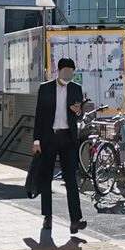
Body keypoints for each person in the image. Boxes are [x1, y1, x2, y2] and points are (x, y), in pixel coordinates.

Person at [31, 57, 86, 234]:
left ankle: (75, 220)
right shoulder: (45, 88)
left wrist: (78, 111)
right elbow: (39, 115)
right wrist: (36, 141)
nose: (69, 74)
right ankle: (47, 216)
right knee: (46, 178)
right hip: (48, 138)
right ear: (59, 71)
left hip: (68, 139)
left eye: (71, 71)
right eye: (66, 71)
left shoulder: (76, 88)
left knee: (71, 180)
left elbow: (79, 114)